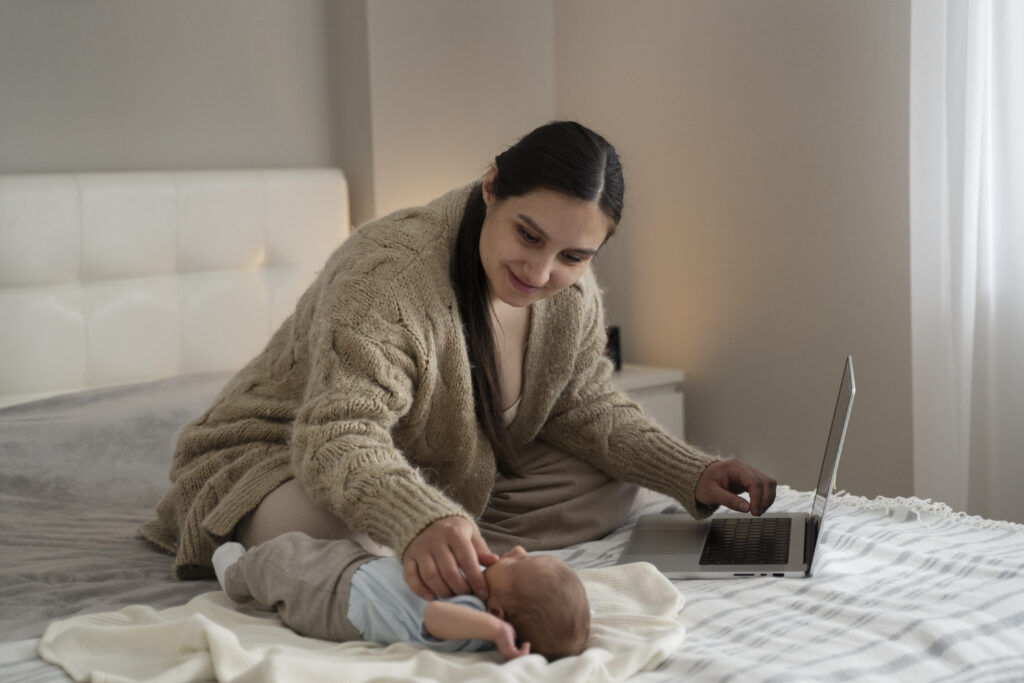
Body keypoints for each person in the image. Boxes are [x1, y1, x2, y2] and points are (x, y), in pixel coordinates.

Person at [140, 120, 777, 602]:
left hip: (445, 456)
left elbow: (584, 405)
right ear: (492, 185)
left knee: (620, 480)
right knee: (326, 527)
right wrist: (419, 514)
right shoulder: (388, 278)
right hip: (283, 451)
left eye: (574, 255)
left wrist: (695, 472)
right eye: (528, 235)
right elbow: (338, 434)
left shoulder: (569, 291)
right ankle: (428, 524)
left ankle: (438, 530)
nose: (542, 271)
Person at [211, 533, 588, 661]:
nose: (518, 550)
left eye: (517, 566)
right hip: (354, 572)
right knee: (313, 546)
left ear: (498, 612)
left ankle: (234, 576)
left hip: (333, 598)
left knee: (281, 559)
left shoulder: (474, 624)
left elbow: (435, 614)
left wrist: (495, 632)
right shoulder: (480, 600)